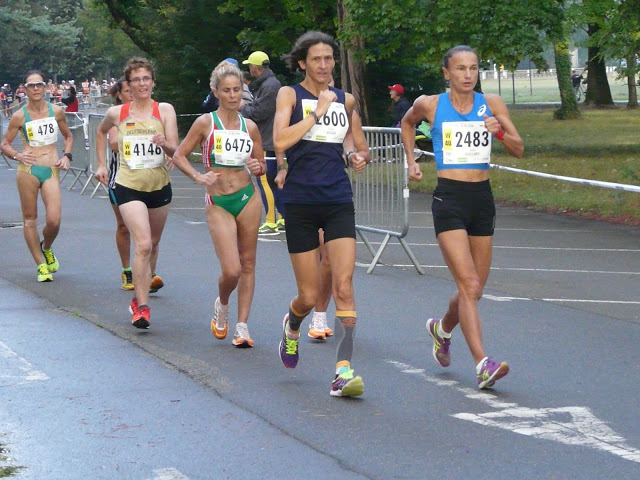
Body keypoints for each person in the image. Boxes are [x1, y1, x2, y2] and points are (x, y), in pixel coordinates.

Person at [401, 45, 524, 389]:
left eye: (473, 68)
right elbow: (406, 122)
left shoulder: (493, 104)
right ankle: (483, 363)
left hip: (481, 200)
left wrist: (498, 131)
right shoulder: (431, 104)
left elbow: (519, 147)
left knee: (475, 289)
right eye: (460, 69)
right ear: (447, 73)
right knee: (468, 285)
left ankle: (441, 330)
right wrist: (411, 160)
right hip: (449, 199)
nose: (468, 75)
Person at [273, 31, 368, 397]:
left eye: (329, 58)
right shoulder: (289, 94)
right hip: (299, 201)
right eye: (317, 59)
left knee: (343, 285)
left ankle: (343, 371)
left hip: (337, 199)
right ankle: (293, 323)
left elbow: (356, 146)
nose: (325, 65)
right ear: (302, 63)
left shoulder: (346, 100)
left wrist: (357, 158)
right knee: (309, 296)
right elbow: (280, 141)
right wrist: (316, 112)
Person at [171, 63, 265, 347]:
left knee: (248, 264)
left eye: (237, 89)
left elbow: (261, 166)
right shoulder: (206, 123)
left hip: (248, 197)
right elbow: (179, 155)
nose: (233, 95)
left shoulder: (250, 126)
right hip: (219, 201)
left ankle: (242, 325)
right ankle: (222, 304)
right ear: (216, 92)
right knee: (232, 270)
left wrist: (257, 166)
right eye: (227, 90)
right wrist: (198, 176)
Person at [94, 57, 178, 329]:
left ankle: (138, 292)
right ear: (127, 84)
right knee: (141, 244)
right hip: (128, 185)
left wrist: (166, 146)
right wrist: (101, 164)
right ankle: (142, 306)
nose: (142, 84)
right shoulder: (118, 113)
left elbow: (176, 149)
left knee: (152, 245)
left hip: (158, 186)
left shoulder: (164, 110)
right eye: (136, 80)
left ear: (153, 82)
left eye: (146, 79)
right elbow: (100, 132)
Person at [0, 70, 73, 282]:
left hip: (50, 168)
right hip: (28, 171)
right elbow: (4, 144)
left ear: (45, 87)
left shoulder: (56, 111)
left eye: (39, 84)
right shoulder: (19, 116)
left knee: (54, 220)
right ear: (24, 89)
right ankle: (41, 265)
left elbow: (68, 136)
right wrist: (17, 155)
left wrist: (67, 156)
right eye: (31, 85)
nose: (35, 89)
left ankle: (46, 247)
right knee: (30, 219)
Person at [240, 50, 284, 235]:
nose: (249, 69)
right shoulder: (268, 84)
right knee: (273, 181)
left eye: (250, 66)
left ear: (256, 68)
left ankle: (271, 220)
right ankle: (281, 217)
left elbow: (259, 113)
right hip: (269, 138)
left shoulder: (270, 86)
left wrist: (244, 108)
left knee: (264, 181)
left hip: (266, 140)